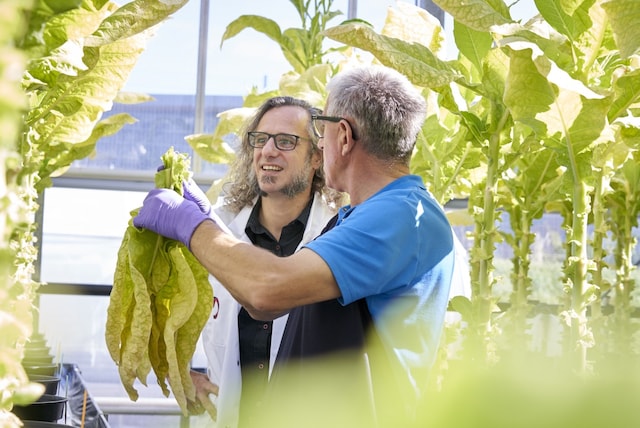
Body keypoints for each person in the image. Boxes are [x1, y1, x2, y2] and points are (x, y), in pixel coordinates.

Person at [134, 65, 456, 426]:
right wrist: (209, 223)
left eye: (322, 131)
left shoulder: (400, 218)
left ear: (344, 137)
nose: (321, 140)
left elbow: (266, 290)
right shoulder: (363, 215)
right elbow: (266, 309)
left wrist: (190, 225)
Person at [187, 96, 343, 427]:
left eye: (286, 141)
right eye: (260, 139)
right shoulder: (217, 229)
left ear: (317, 157)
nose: (268, 151)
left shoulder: (337, 234)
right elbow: (158, 309)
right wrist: (181, 374)